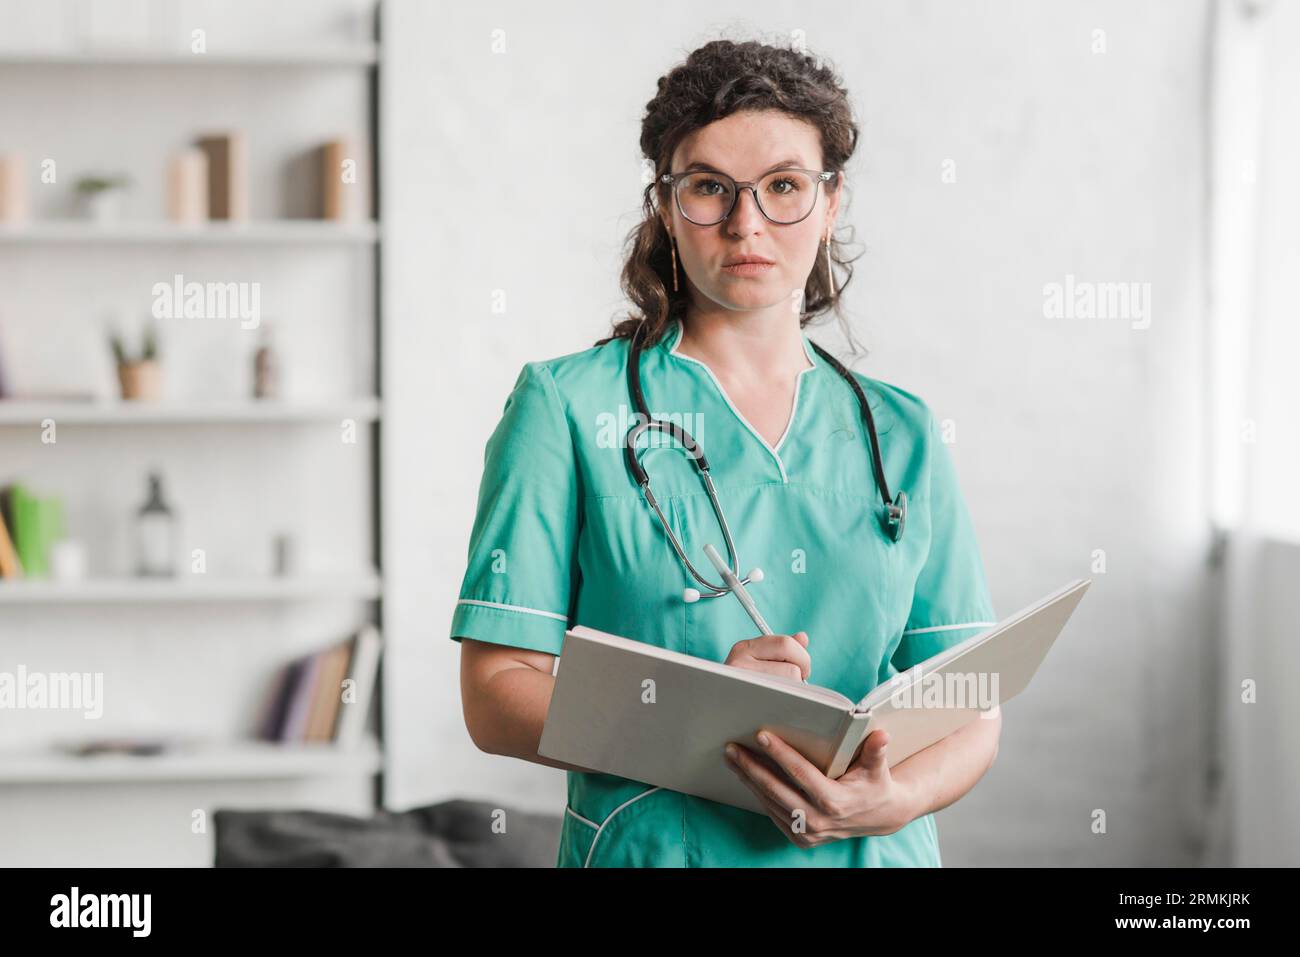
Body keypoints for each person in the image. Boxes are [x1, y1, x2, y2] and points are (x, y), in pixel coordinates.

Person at [450, 38, 1000, 867]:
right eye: (710, 187)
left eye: (783, 186)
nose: (747, 224)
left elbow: (971, 704)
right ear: (666, 204)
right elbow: (495, 696)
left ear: (831, 201)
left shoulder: (903, 433)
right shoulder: (566, 408)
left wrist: (892, 796)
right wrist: (695, 717)